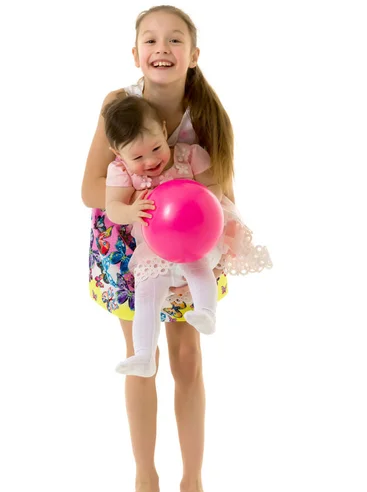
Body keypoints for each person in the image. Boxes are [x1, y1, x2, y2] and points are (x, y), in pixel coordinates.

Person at [81, 5, 269, 492]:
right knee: (142, 358)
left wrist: (199, 215)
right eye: (150, 39)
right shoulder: (119, 107)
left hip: (190, 251)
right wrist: (136, 198)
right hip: (130, 245)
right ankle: (146, 480)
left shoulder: (206, 115)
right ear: (136, 53)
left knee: (187, 358)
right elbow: (89, 187)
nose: (162, 48)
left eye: (175, 40)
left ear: (193, 55)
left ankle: (192, 482)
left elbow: (222, 191)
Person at [103, 95, 272, 377]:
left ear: (164, 128)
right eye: (138, 157)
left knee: (197, 265)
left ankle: (207, 312)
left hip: (196, 235)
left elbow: (214, 186)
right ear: (118, 154)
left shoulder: (188, 155)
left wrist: (199, 199)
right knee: (146, 293)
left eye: (157, 148)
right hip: (155, 247)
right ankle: (143, 356)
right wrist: (131, 210)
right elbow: (113, 208)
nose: (151, 161)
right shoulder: (120, 172)